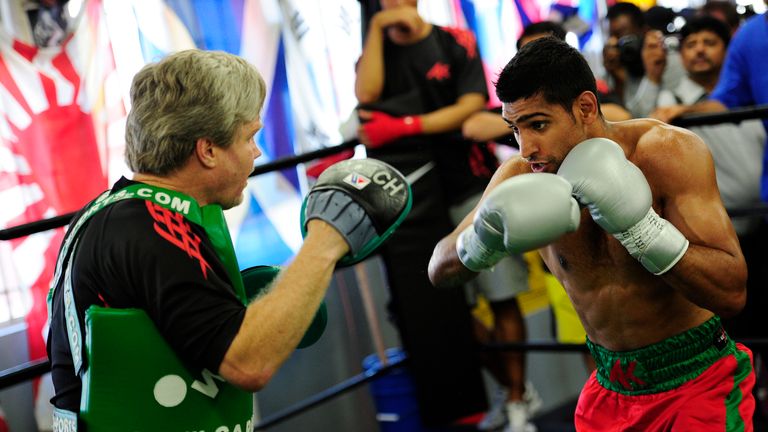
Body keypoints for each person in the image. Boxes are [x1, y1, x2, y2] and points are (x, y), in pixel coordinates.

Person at [46, 49, 409, 431]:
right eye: (249, 137)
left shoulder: (120, 211)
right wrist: (327, 239)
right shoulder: (152, 228)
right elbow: (248, 363)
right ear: (208, 151)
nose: (257, 153)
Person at [429, 37, 755, 430]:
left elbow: (732, 293)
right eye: (514, 128)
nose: (526, 147)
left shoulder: (665, 152)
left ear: (585, 106)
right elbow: (438, 268)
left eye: (538, 124)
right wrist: (480, 240)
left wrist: (642, 230)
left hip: (695, 381)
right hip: (608, 389)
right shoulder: (520, 175)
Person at [350, 0, 493, 426]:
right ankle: (469, 407)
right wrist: (376, 27)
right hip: (417, 196)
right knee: (445, 307)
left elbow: (471, 104)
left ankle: (518, 395)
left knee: (497, 299)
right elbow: (366, 95)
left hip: (465, 183)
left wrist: (406, 125)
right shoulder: (375, 51)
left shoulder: (454, 41)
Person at [602, 2, 685, 118]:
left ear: (644, 31)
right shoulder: (619, 65)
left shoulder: (667, 60)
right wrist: (617, 77)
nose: (615, 42)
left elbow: (644, 117)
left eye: (622, 35)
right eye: (611, 36)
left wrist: (653, 76)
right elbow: (625, 119)